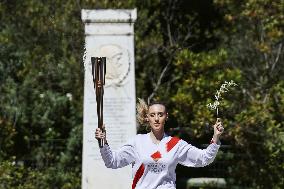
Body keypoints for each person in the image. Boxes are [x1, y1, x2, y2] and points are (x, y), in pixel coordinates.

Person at [95, 99, 224, 189]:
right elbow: (112, 161)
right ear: (147, 118)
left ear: (166, 117)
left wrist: (215, 137)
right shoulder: (137, 142)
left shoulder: (176, 144)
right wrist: (103, 142)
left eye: (160, 114)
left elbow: (204, 159)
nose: (156, 118)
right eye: (152, 115)